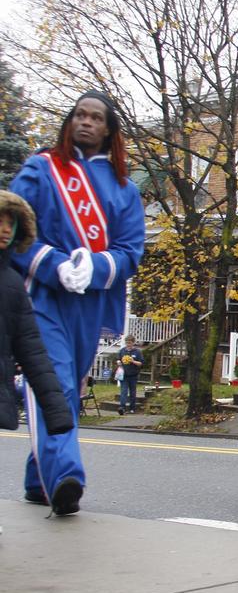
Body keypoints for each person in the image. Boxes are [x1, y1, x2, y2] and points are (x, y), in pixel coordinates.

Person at [9, 90, 145, 516]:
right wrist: (51, 264)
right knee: (57, 384)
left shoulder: (123, 187)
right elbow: (9, 228)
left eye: (95, 118)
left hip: (90, 303)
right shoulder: (42, 168)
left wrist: (97, 266)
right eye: (79, 115)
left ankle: (39, 478)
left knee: (69, 387)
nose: (85, 122)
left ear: (109, 129)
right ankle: (67, 476)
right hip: (41, 297)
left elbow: (130, 251)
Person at [0, 191, 74, 439]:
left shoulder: (11, 284)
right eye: (0, 221)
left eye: (11, 223)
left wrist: (57, 410)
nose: (6, 230)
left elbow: (32, 351)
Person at [117, 335, 144, 415]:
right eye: (127, 343)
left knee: (132, 392)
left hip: (133, 375)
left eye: (129, 343)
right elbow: (118, 359)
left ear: (133, 343)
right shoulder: (122, 351)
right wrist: (118, 362)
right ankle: (122, 408)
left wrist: (133, 361)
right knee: (123, 391)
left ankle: (132, 408)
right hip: (124, 375)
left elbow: (141, 364)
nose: (128, 344)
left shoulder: (137, 352)